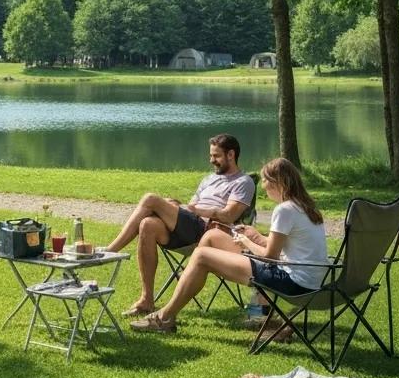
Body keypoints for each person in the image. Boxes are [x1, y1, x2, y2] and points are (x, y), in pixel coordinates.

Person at [130, 156, 328, 333]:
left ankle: (164, 317)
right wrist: (256, 235)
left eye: (266, 181)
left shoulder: (284, 210)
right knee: (213, 235)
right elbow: (290, 245)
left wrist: (247, 241)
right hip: (310, 278)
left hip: (292, 282)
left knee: (201, 256)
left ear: (279, 183)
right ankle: (256, 313)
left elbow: (270, 257)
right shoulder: (305, 206)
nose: (264, 187)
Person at [104, 133, 254, 317]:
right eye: (210, 155)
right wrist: (176, 206)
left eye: (216, 156)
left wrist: (194, 210)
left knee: (150, 199)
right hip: (190, 228)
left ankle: (110, 251)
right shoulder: (208, 179)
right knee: (147, 224)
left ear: (231, 155)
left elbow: (229, 214)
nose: (211, 160)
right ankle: (147, 301)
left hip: (209, 232)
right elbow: (191, 208)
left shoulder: (243, 182)